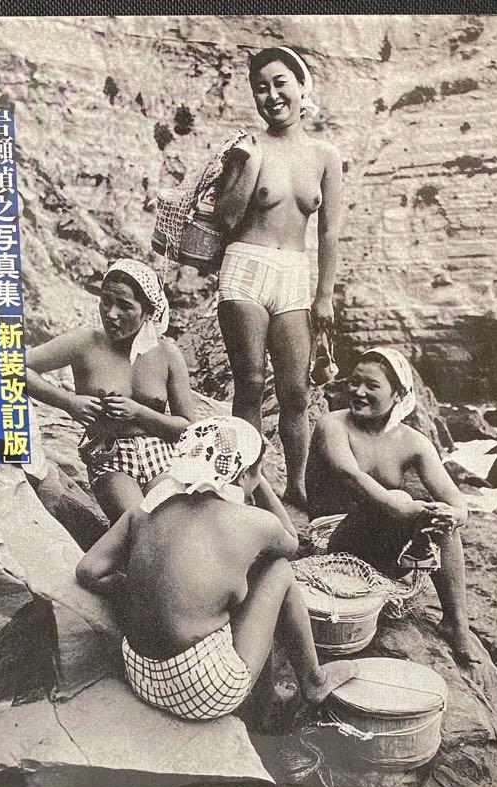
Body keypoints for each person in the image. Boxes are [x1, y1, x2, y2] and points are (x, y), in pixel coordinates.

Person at [75, 416, 358, 722]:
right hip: (202, 691)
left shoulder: (146, 508)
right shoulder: (253, 523)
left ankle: (268, 696)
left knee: (229, 583)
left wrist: (145, 589)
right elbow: (291, 543)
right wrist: (258, 481)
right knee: (277, 569)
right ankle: (313, 680)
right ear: (245, 472)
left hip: (139, 674)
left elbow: (89, 570)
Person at [212, 46, 343, 510]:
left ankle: (298, 486)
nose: (271, 95)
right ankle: (246, 482)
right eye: (260, 88)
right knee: (249, 382)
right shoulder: (248, 148)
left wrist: (325, 295)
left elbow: (329, 232)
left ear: (301, 87)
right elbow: (226, 219)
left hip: (294, 275)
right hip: (245, 266)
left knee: (295, 391)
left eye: (279, 83)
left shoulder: (325, 156)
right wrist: (246, 165)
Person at [305, 348, 486, 666]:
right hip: (332, 541)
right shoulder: (332, 425)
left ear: (398, 394)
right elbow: (351, 476)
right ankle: (418, 547)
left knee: (441, 518)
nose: (358, 392)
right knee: (407, 502)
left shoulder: (413, 442)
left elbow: (457, 502)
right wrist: (405, 507)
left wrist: (452, 515)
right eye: (355, 382)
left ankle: (456, 622)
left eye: (371, 386)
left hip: (380, 542)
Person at [26, 259, 196, 523]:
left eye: (124, 306)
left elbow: (186, 429)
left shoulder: (168, 354)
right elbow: (12, 366)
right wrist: (68, 402)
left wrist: (138, 413)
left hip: (161, 455)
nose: (111, 314)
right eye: (105, 301)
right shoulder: (84, 343)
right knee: (138, 523)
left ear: (148, 312)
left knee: (173, 522)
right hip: (110, 455)